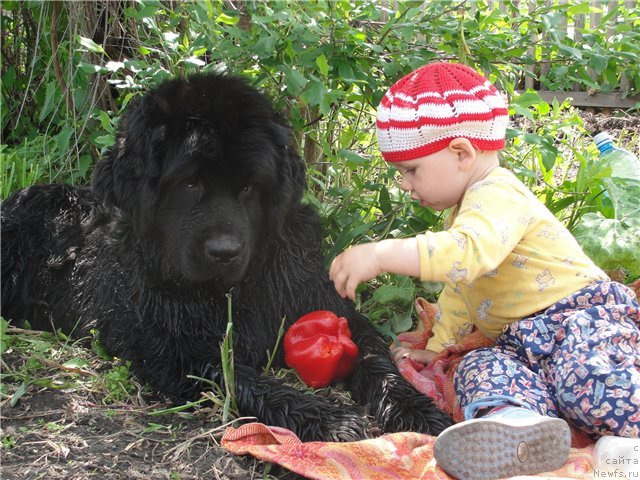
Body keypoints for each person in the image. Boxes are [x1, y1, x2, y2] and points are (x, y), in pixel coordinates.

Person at [329, 62, 640, 480]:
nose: (405, 184)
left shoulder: (498, 195)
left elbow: (465, 256)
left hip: (577, 320)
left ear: (461, 153)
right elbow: (462, 289)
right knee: (482, 370)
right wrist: (441, 347)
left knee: (588, 381)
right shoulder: (465, 209)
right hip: (516, 341)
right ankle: (517, 428)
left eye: (411, 170)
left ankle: (626, 433)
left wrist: (381, 254)